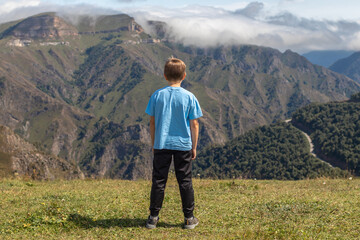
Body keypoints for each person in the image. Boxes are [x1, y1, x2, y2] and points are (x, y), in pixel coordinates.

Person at [145, 57, 203, 229]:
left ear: (164, 75)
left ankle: (153, 218)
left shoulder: (157, 95)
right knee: (185, 181)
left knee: (159, 180)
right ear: (184, 76)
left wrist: (154, 143)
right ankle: (189, 218)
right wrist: (194, 146)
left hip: (161, 143)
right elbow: (194, 123)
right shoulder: (189, 97)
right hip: (183, 144)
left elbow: (152, 122)